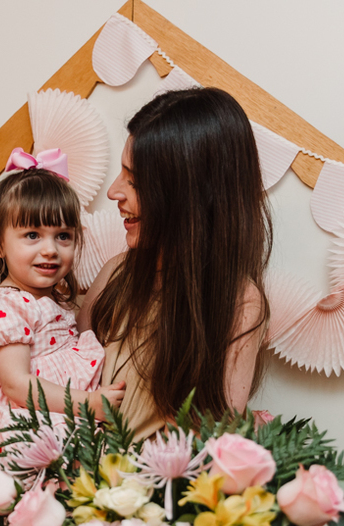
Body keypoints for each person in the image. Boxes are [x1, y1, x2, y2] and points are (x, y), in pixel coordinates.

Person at [80, 87, 271, 438]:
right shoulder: (115, 276)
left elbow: (212, 446)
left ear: (187, 198)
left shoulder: (240, 305)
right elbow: (70, 387)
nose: (113, 192)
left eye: (134, 181)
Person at [0, 150, 124, 484]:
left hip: (57, 425)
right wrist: (90, 404)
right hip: (22, 434)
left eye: (63, 236)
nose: (50, 249)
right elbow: (16, 384)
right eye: (32, 235)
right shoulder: (8, 305)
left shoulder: (55, 300)